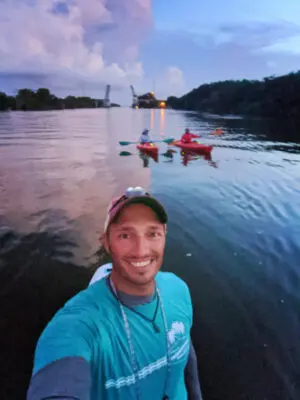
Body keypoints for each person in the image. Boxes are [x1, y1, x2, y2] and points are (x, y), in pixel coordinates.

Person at [27, 186, 203, 400]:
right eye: (125, 235)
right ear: (107, 243)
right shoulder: (80, 324)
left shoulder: (179, 289)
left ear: (164, 235)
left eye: (152, 233)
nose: (141, 250)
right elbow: (59, 377)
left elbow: (185, 345)